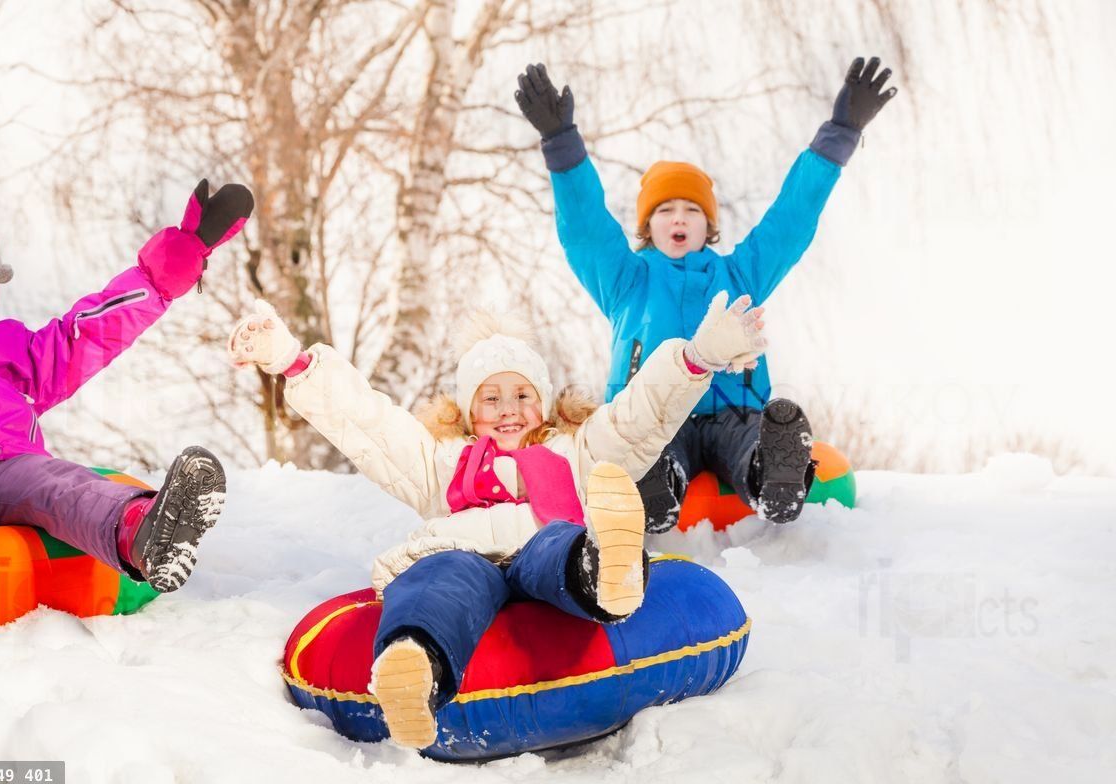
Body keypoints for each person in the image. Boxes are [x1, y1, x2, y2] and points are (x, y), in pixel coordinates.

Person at [228, 290, 764, 747]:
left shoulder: (576, 449)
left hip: (545, 549)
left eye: (522, 395)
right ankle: (414, 666)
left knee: (560, 546)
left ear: (546, 404)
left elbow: (638, 416)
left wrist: (697, 357)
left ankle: (607, 574)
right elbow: (367, 423)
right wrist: (294, 362)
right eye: (491, 398)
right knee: (437, 579)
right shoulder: (439, 462)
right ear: (467, 412)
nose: (508, 409)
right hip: (463, 556)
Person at [515, 57, 897, 529]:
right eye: (666, 210)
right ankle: (653, 488)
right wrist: (562, 146)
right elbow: (586, 231)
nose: (679, 219)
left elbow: (789, 223)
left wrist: (840, 133)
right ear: (647, 226)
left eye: (692, 210)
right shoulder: (625, 280)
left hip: (734, 410)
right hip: (654, 413)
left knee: (750, 438)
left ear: (709, 226)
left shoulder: (741, 273)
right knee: (650, 446)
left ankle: (771, 473)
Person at [0, 180, 253, 592]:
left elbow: (88, 334)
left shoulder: (13, 345)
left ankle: (146, 534)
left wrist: (167, 269)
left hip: (9, 465)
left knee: (63, 487)